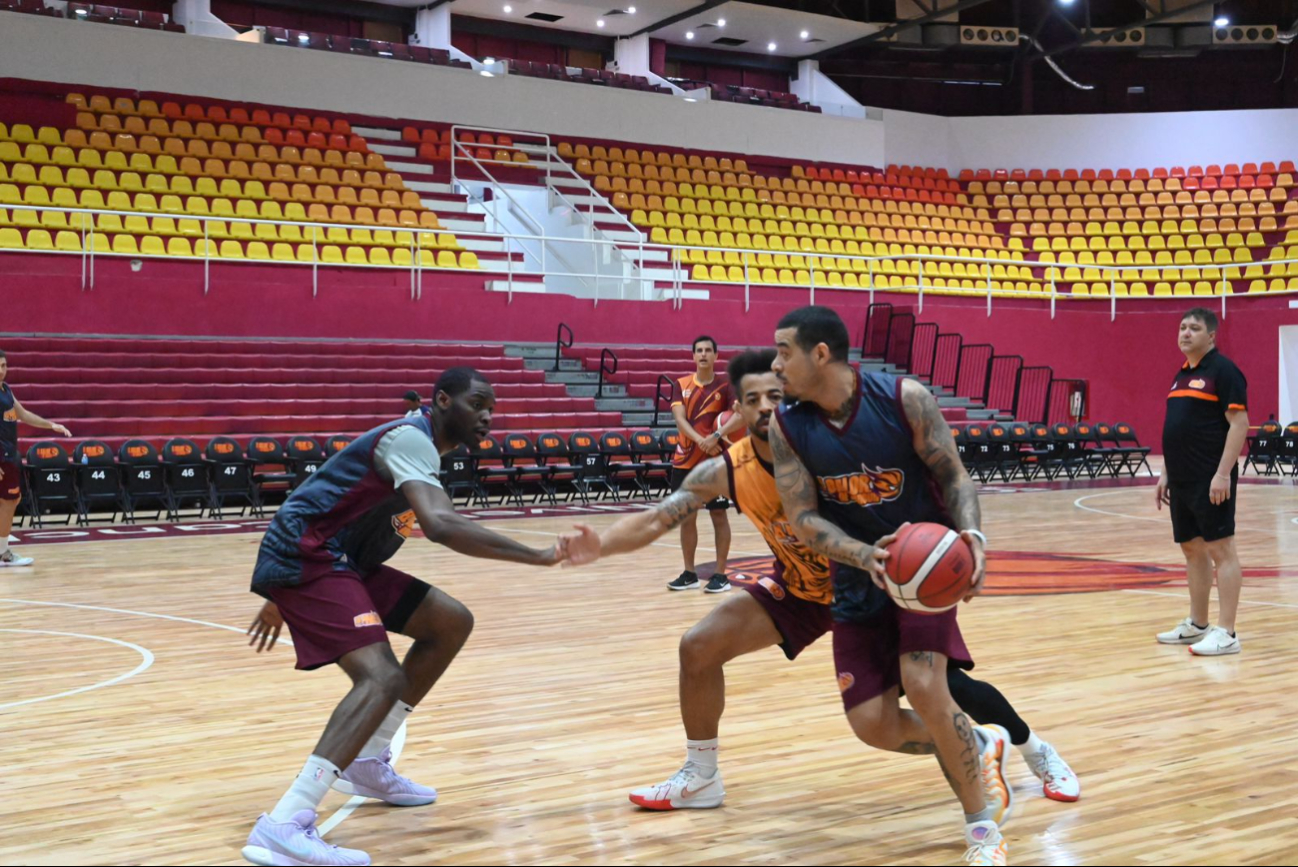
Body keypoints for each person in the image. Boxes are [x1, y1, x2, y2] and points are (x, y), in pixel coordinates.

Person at [563, 349, 1077, 821]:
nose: (765, 408)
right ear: (735, 413)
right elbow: (657, 519)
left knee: (941, 691)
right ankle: (702, 778)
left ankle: (1033, 752)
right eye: (752, 399)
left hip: (871, 587)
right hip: (803, 589)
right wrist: (600, 545)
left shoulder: (825, 447)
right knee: (698, 647)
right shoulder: (728, 471)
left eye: (776, 396)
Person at [241, 367, 572, 867]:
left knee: (449, 622)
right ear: (441, 401)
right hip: (309, 555)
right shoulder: (409, 441)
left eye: (492, 409)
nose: (486, 417)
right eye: (477, 404)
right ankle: (286, 822)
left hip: (341, 558)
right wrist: (538, 555)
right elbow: (440, 525)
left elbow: (337, 501)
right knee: (380, 678)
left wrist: (277, 592)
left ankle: (369, 761)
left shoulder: (428, 446)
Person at [767, 306, 1007, 865]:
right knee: (871, 726)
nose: (776, 365)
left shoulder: (904, 399)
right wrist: (863, 554)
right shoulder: (787, 426)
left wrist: (971, 535)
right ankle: (976, 742)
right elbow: (803, 517)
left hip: (924, 573)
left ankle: (982, 828)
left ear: (820, 353)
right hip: (859, 578)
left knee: (924, 683)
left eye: (784, 351)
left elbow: (952, 474)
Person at [1155, 307, 1249, 656]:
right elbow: (1177, 428)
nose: (1185, 333)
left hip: (1212, 478)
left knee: (1221, 550)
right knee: (1192, 549)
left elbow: (1239, 425)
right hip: (1182, 479)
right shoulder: (1181, 375)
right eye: (1182, 327)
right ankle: (1198, 624)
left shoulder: (1224, 371)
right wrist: (1165, 473)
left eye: (1194, 328)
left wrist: (1223, 474)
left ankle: (1227, 632)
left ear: (1211, 336)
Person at [667, 336, 745, 593]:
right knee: (686, 518)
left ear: (715, 355)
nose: (703, 354)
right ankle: (689, 573)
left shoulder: (726, 385)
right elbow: (680, 420)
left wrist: (716, 437)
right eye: (698, 351)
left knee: (719, 515)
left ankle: (720, 576)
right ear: (693, 356)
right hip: (685, 460)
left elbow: (739, 415)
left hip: (715, 462)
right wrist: (702, 440)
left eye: (708, 350)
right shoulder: (681, 385)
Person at [0, 349, 71, 568]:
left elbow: (23, 414)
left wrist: (51, 425)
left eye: (4, 366)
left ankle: (2, 552)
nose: (2, 370)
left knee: (10, 500)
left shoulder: (6, 390)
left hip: (9, 454)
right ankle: (3, 553)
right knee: (9, 501)